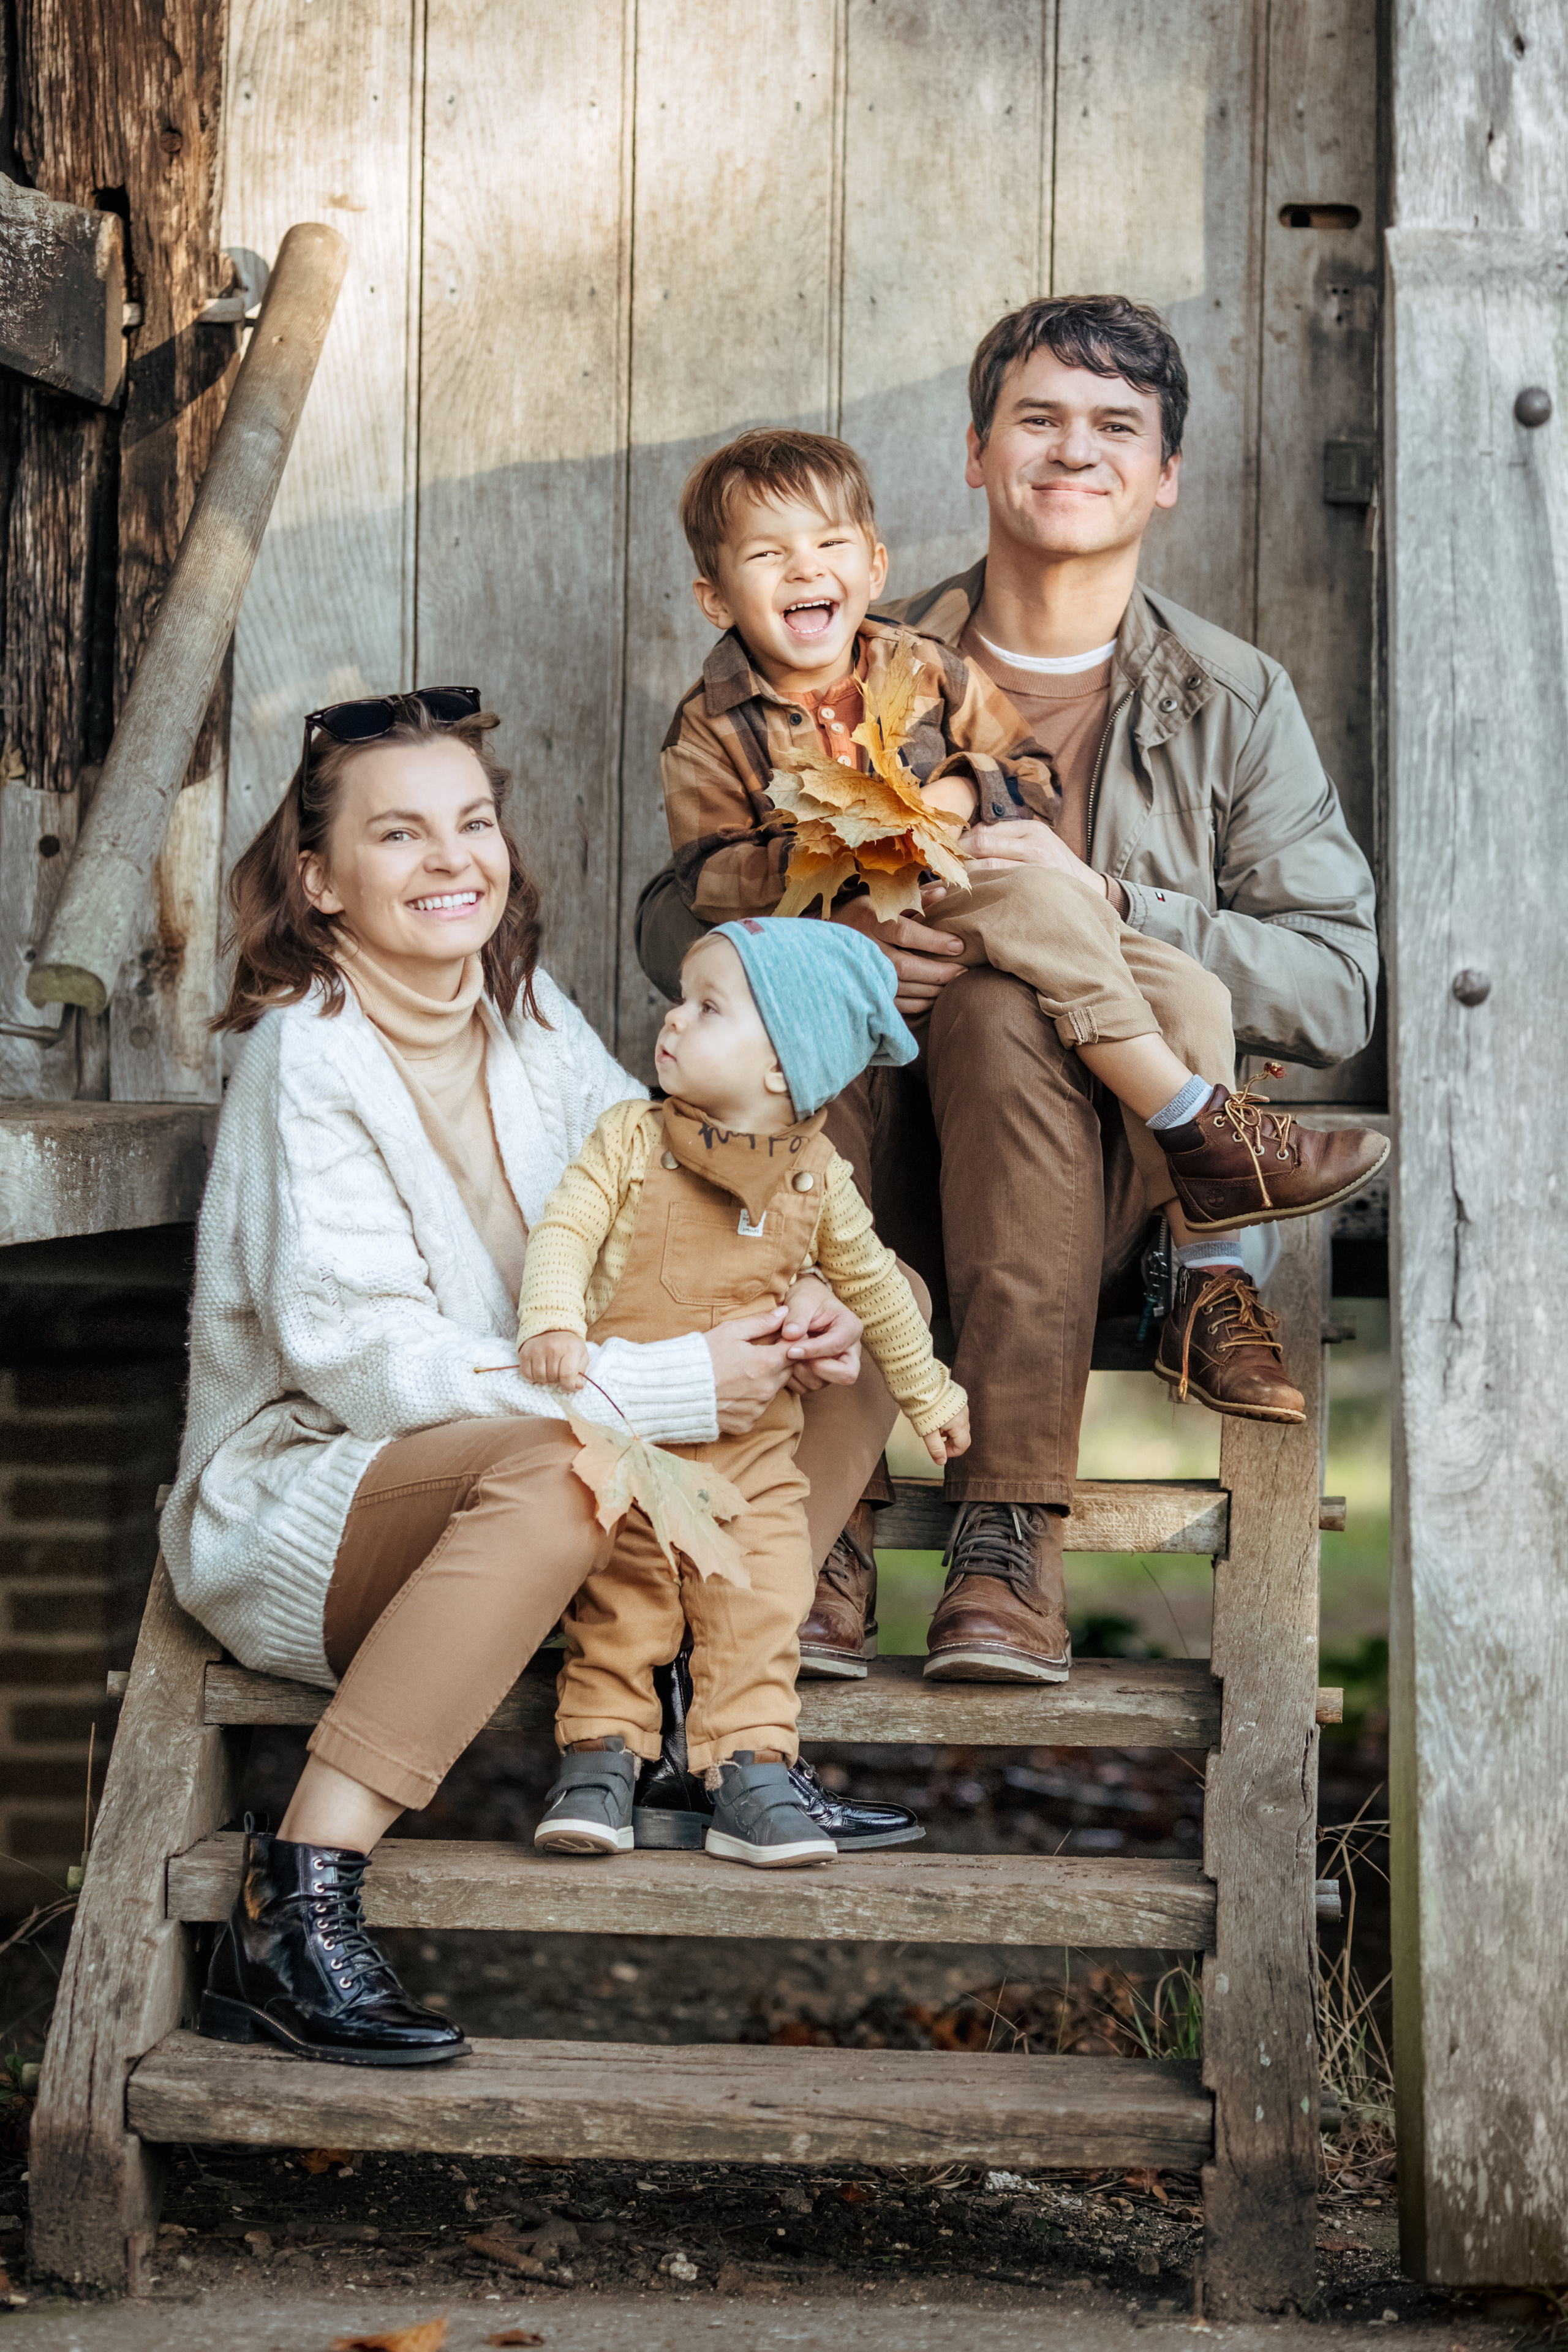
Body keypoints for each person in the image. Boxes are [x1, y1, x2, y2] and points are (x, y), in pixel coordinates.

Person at [162, 688, 917, 2068]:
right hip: (328, 1498)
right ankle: (293, 1905)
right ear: (320, 881)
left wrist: (797, 1291)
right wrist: (664, 1387)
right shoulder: (303, 1059)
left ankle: (712, 1725)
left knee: (869, 1324)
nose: (453, 858)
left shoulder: (526, 1015)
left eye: (474, 822)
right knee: (567, 1469)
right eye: (400, 833)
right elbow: (366, 1362)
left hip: (552, 1466)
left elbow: (677, 1185)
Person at [635, 295, 1380, 1687]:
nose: (1074, 449)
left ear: (1165, 473)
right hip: (878, 1155)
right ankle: (826, 1524)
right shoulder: (851, 650)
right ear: (977, 454)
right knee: (822, 1006)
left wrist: (1109, 902)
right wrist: (839, 926)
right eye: (1038, 418)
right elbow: (667, 914)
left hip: (1105, 1184)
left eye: (1115, 427)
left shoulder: (1231, 699)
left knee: (993, 1011)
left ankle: (1010, 1531)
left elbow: (1337, 988)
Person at [517, 918, 969, 1864]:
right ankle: (601, 1765)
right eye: (681, 1001)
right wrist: (553, 1320)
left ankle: (750, 1774)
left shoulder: (818, 1174)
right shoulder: (630, 1138)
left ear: (781, 1067)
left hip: (753, 1453)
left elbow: (877, 1289)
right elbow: (566, 1229)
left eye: (709, 1008)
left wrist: (931, 1398)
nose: (674, 1021)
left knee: (759, 1604)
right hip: (633, 1439)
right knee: (624, 1602)